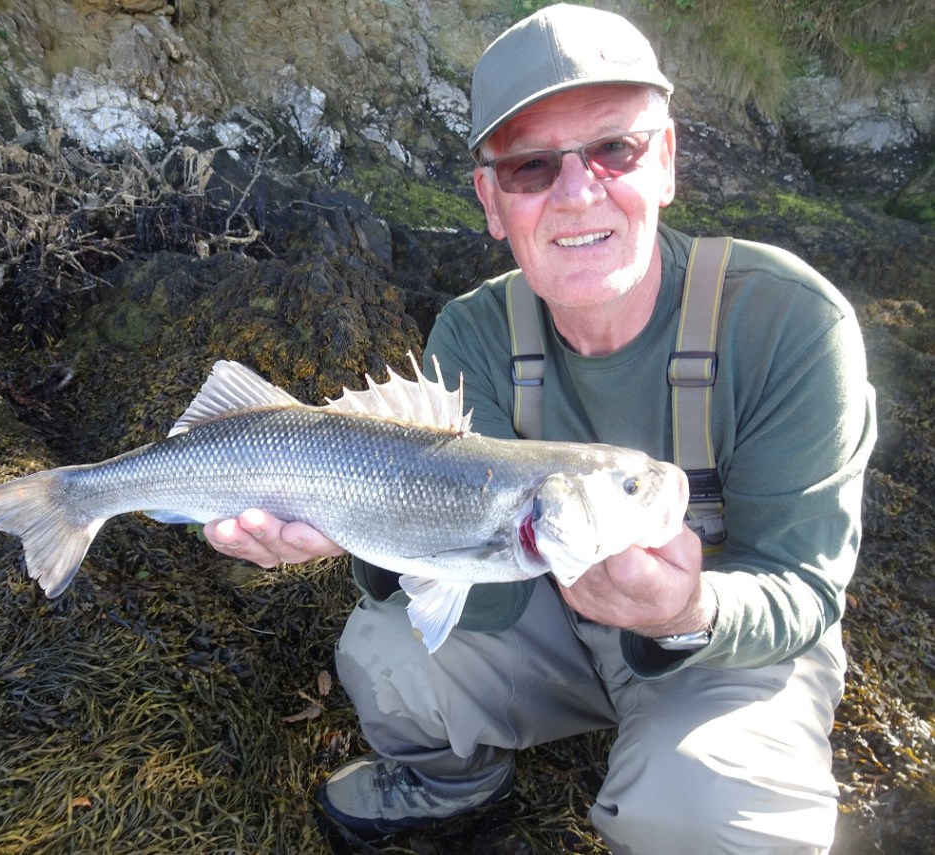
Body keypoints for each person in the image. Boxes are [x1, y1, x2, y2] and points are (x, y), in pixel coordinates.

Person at [203, 4, 876, 853]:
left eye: (614, 148)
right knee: (386, 655)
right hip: (542, 606)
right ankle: (457, 780)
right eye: (529, 165)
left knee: (714, 822)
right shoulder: (474, 332)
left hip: (720, 645)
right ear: (491, 200)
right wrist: (344, 527)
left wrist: (687, 605)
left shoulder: (791, 323)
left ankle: (672, 762)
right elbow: (455, 565)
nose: (578, 190)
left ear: (665, 160)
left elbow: (805, 589)